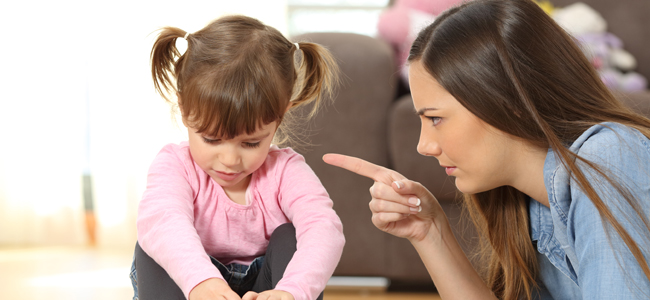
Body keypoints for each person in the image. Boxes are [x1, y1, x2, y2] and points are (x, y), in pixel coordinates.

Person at [323, 0, 650, 299]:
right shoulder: (526, 204)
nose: (424, 146)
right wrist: (429, 231)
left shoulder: (609, 156)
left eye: (435, 118)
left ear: (509, 103)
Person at [130, 15, 345, 300]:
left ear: (279, 118)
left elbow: (324, 229)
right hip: (191, 287)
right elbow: (163, 220)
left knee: (290, 236)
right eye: (212, 139)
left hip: (265, 289)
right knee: (154, 241)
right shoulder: (175, 165)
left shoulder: (286, 171)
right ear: (183, 109)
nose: (230, 160)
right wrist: (201, 282)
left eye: (251, 143)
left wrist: (292, 292)